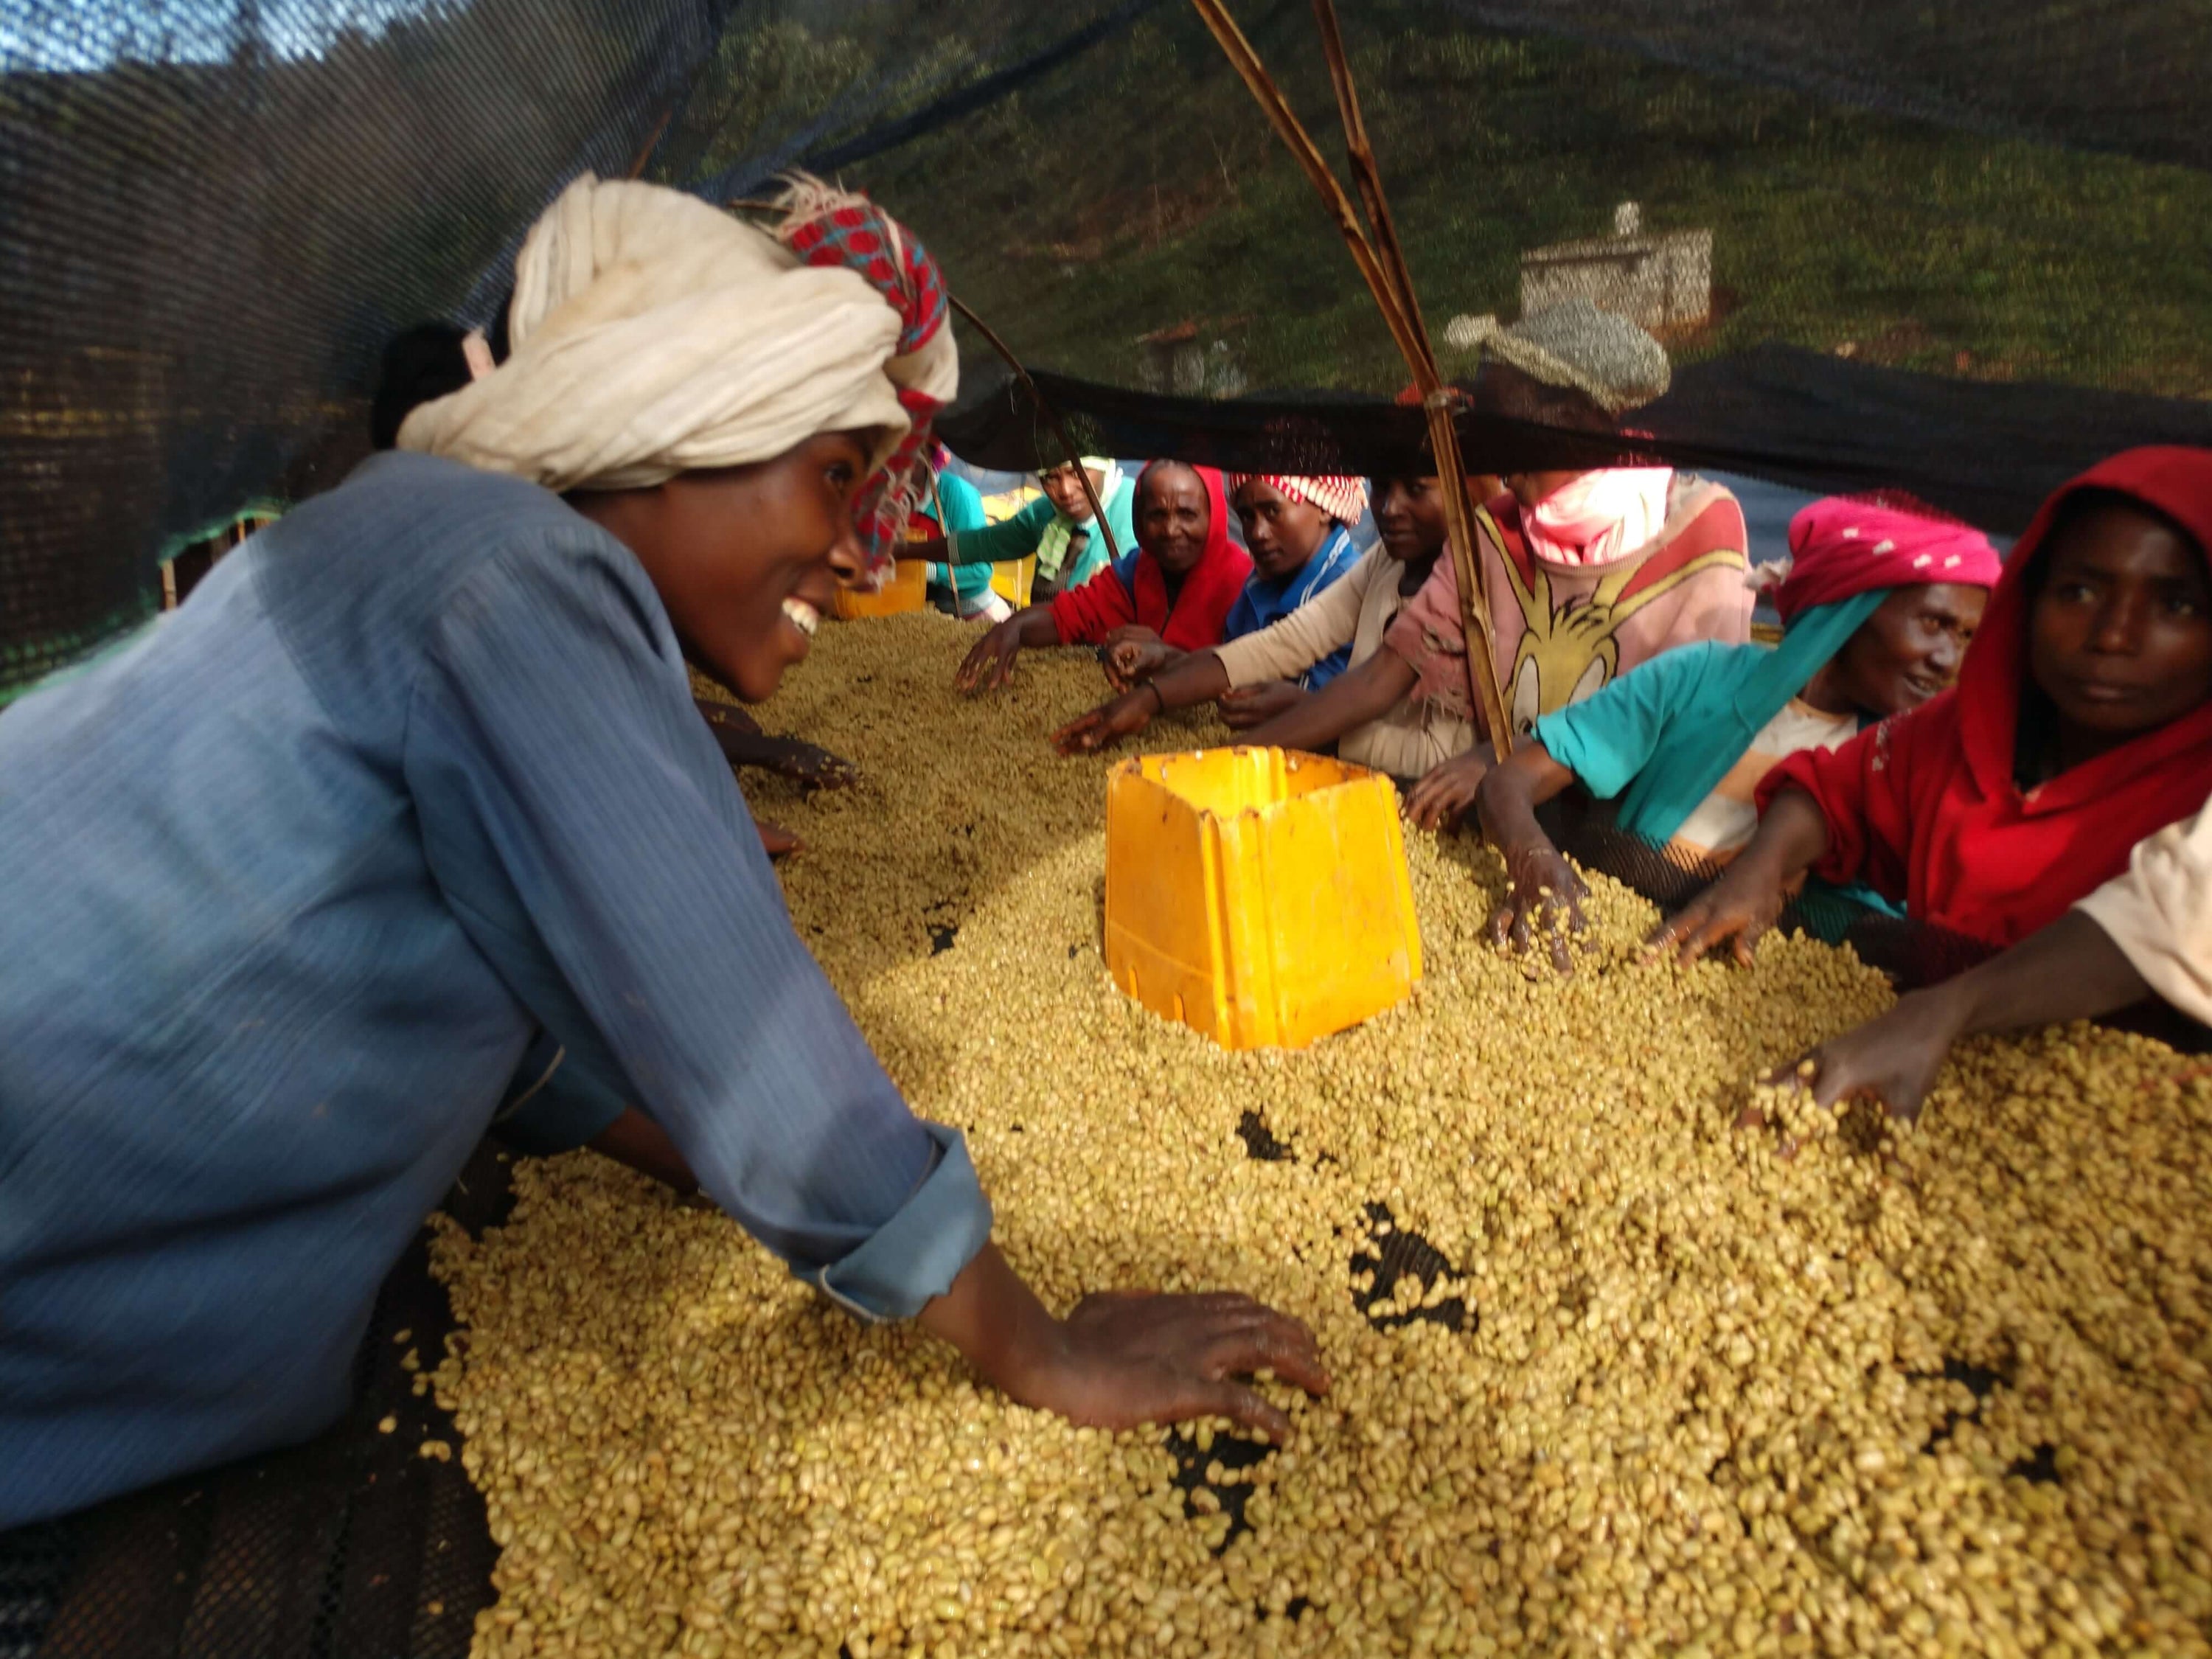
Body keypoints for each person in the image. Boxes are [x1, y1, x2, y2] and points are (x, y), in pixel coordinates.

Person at [0, 175, 1325, 1531]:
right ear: (677, 431)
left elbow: (498, 997)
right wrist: (1040, 1347)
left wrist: (706, 1153)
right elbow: (737, 1021)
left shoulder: (415, 535)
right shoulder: (515, 574)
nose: (856, 560)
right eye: (832, 479)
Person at [1652, 446, 2212, 967]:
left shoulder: (2196, 799)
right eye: (2079, 593)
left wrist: (1948, 1010)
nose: (2113, 636)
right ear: (2030, 602)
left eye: (2177, 606)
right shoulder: (1954, 736)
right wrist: (1761, 868)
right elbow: (1831, 792)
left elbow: (2144, 937)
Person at [1435, 498, 2000, 967]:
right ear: (1847, 610)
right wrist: (1534, 861)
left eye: (1969, 636)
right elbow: (1511, 781)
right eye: (1934, 624)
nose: (1949, 660)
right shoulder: (1698, 678)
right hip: (1624, 943)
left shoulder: (1911, 761)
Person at [1233, 300, 1752, 777]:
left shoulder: (1702, 526)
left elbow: (1686, 717)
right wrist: (1231, 762)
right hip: (1506, 802)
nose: (1488, 447)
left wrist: (1499, 765)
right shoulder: (1493, 533)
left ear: (1571, 421)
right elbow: (1381, 676)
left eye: (1503, 419)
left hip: (1638, 830)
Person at [1779, 799, 2212, 1124]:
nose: (2103, 672)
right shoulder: (1955, 730)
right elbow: (1843, 790)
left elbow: (2175, 914)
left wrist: (1945, 1009)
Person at [1054, 475, 1463, 768]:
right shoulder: (1386, 563)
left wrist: (1220, 760)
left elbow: (1428, 749)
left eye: (1416, 489)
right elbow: (1285, 643)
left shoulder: (1469, 590)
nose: (1390, 509)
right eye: (1383, 486)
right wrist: (1150, 696)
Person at [954, 461, 1251, 693]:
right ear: (1139, 519)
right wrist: (1016, 626)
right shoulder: (1138, 572)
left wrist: (1169, 657)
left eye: (1187, 514)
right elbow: (1072, 615)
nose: (1171, 530)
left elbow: (1250, 674)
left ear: (1214, 515)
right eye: (1156, 515)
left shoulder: (1244, 585)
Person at [1112, 473, 1367, 697]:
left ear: (1323, 507)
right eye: (1247, 516)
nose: (1257, 533)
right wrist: (1167, 659)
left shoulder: (1350, 588)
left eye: (1272, 511)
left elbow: (1323, 709)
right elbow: (1235, 669)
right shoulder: (1258, 584)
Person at [911, 455, 1137, 613]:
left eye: (1077, 473)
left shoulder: (1136, 504)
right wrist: (906, 552)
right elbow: (983, 544)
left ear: (1104, 466)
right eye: (1051, 477)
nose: (1065, 491)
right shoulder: (1046, 513)